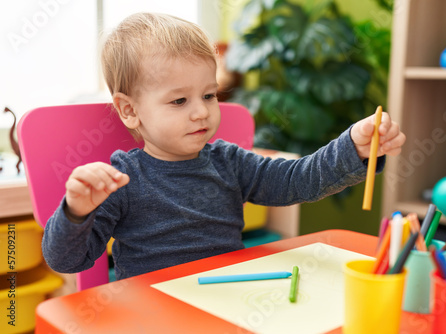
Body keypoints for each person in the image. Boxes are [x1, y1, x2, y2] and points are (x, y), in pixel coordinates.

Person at [42, 12, 406, 280]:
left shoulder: (229, 162)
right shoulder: (121, 179)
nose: (201, 111)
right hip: (150, 311)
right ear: (129, 110)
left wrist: (353, 148)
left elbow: (298, 179)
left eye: (209, 94)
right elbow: (67, 261)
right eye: (179, 101)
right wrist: (76, 212)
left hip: (228, 298)